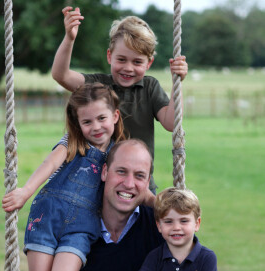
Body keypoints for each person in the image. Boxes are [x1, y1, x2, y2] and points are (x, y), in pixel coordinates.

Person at [65, 139, 234, 271]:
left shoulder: (162, 226)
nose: (129, 183)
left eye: (139, 175)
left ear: (147, 182)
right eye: (121, 171)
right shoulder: (71, 224)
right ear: (104, 172)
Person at [2, 83, 126, 271]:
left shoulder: (118, 154)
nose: (96, 127)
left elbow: (126, 186)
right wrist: (25, 192)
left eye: (101, 118)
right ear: (78, 123)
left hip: (81, 229)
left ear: (115, 116)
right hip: (46, 218)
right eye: (87, 122)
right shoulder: (72, 142)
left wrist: (157, 202)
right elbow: (49, 164)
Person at [51, 7, 188, 193]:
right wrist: (69, 38)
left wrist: (176, 83)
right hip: (98, 185)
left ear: (149, 64)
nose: (128, 68)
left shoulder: (150, 87)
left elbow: (171, 123)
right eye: (121, 59)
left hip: (139, 184)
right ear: (109, 56)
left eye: (137, 62)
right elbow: (61, 75)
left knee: (147, 220)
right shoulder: (98, 85)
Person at [134, 187, 219, 271]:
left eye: (184, 221)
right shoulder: (154, 257)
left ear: (197, 224)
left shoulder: (207, 257)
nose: (176, 228)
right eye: (168, 222)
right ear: (159, 225)